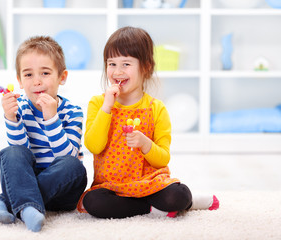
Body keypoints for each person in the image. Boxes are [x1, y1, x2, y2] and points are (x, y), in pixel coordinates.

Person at [77, 26, 218, 219]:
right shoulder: (98, 103)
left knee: (178, 195)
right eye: (111, 64)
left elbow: (163, 159)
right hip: (111, 186)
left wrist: (145, 144)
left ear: (146, 67)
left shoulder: (156, 108)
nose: (117, 71)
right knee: (93, 203)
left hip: (150, 183)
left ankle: (186, 202)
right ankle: (150, 209)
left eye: (126, 64)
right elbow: (93, 145)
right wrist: (107, 108)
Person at [0, 36, 87, 232]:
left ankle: (5, 202)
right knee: (11, 152)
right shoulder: (20, 107)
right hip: (27, 177)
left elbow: (67, 157)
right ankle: (28, 208)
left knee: (74, 166)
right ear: (20, 81)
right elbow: (21, 152)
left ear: (62, 77)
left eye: (45, 73)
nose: (37, 81)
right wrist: (11, 118)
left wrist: (51, 119)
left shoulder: (73, 111)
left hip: (63, 189)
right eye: (28, 75)